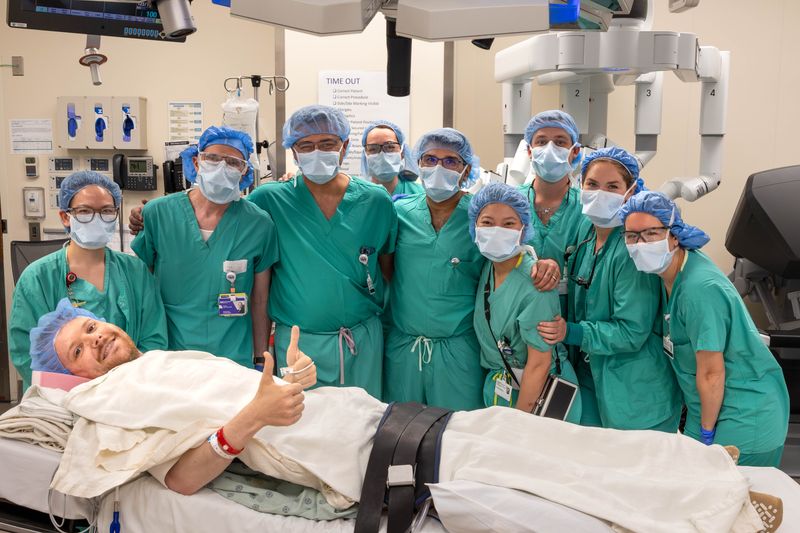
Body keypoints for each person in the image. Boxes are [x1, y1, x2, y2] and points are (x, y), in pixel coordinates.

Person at [37, 304, 775, 533]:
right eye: (81, 348)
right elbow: (184, 476)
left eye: (96, 328)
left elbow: (261, 394)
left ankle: (696, 467)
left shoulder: (167, 359)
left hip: (374, 416)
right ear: (73, 374)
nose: (98, 341)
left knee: (546, 436)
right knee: (547, 468)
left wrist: (292, 384)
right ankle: (709, 504)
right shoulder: (109, 403)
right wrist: (250, 418)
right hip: (378, 459)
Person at [383, 129, 563, 411]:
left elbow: (515, 253)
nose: (439, 167)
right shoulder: (400, 214)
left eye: (450, 161)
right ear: (416, 163)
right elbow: (386, 270)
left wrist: (548, 264)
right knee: (400, 432)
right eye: (429, 159)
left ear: (467, 168)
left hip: (460, 352)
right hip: (404, 349)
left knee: (457, 437)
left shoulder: (481, 216)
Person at [620, 191, 790, 466]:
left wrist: (706, 436)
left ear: (673, 235)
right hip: (709, 410)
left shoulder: (699, 289)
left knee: (735, 501)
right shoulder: (669, 278)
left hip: (744, 417)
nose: (640, 244)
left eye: (650, 233)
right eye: (631, 236)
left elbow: (712, 373)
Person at [247, 105, 397, 398]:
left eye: (328, 143)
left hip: (362, 344)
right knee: (299, 433)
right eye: (306, 145)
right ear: (293, 152)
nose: (317, 152)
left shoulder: (376, 202)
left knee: (362, 431)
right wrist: (147, 214)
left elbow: (389, 271)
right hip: (297, 347)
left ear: (344, 148)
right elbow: (228, 223)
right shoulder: (270, 200)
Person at [536, 148, 681, 430]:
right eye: (592, 184)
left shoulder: (632, 249)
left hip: (634, 388)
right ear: (581, 186)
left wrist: (571, 332)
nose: (600, 193)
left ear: (631, 191)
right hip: (591, 373)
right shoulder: (587, 235)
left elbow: (631, 332)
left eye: (612, 186)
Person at [131, 126, 277, 368]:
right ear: (197, 163)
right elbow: (141, 291)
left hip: (233, 358)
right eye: (213, 158)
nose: (221, 167)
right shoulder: (159, 214)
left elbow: (260, 299)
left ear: (244, 172)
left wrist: (261, 357)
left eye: (233, 162)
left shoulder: (259, 224)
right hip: (170, 354)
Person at [8, 171, 166, 390]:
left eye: (106, 211)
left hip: (131, 390)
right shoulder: (37, 278)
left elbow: (154, 338)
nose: (97, 218)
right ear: (65, 216)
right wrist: (84, 395)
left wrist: (124, 388)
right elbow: (27, 355)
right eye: (84, 211)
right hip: (63, 400)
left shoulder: (135, 271)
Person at [469, 183, 581, 421]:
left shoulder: (536, 284)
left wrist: (519, 423)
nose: (497, 231)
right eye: (487, 223)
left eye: (509, 223)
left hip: (541, 397)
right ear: (474, 227)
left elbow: (539, 365)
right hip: (505, 385)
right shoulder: (490, 267)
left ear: (524, 229)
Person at [520, 110, 585, 284]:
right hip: (518, 307)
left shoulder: (587, 207)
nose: (550, 148)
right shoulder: (511, 204)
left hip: (569, 309)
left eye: (559, 142)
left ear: (575, 151)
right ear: (529, 150)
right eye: (541, 142)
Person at [359, 119, 423, 197]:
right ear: (365, 154)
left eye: (390, 147)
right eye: (373, 149)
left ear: (402, 152)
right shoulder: (357, 197)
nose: (382, 154)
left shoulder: (420, 194)